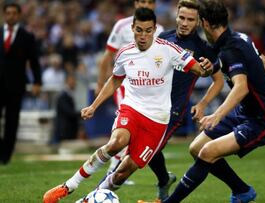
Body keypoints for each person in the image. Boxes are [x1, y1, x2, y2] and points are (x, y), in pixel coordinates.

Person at [43, 7, 212, 203]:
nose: (143, 35)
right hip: (132, 108)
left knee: (123, 172)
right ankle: (69, 185)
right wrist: (94, 106)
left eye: (148, 30)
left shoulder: (169, 50)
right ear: (132, 28)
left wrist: (206, 69)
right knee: (116, 143)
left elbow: (200, 70)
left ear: (154, 29)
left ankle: (88, 200)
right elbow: (115, 80)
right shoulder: (124, 53)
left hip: (157, 120)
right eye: (139, 30)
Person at [96, 0, 224, 201]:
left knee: (136, 158)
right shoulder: (163, 38)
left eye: (190, 19)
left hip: (172, 112)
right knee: (150, 151)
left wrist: (202, 104)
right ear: (176, 16)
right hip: (146, 107)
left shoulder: (203, 48)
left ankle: (100, 191)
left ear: (198, 22)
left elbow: (218, 80)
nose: (184, 23)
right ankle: (164, 179)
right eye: (181, 17)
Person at [163, 1, 265, 203]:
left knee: (208, 152)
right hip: (245, 111)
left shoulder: (230, 50)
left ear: (204, 22)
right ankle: (242, 190)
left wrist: (216, 115)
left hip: (263, 120)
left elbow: (241, 86)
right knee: (196, 147)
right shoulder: (239, 38)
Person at [96, 0, 165, 183]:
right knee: (126, 127)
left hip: (149, 90)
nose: (146, 5)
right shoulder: (122, 26)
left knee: (140, 134)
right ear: (136, 3)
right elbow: (107, 55)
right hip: (125, 84)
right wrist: (100, 82)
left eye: (150, 1)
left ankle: (123, 171)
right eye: (143, 1)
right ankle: (113, 171)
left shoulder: (161, 30)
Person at [0, 2, 42, 165]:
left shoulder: (27, 36)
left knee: (12, 121)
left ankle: (5, 156)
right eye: (8, 13)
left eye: (14, 13)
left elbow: (34, 61)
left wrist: (37, 82)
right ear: (4, 15)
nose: (11, 16)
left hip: (16, 85)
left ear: (19, 15)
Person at [51, 74, 81, 144]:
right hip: (65, 130)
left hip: (69, 130)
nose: (74, 83)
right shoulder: (62, 96)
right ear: (67, 82)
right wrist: (82, 113)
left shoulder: (69, 95)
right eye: (72, 81)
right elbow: (69, 112)